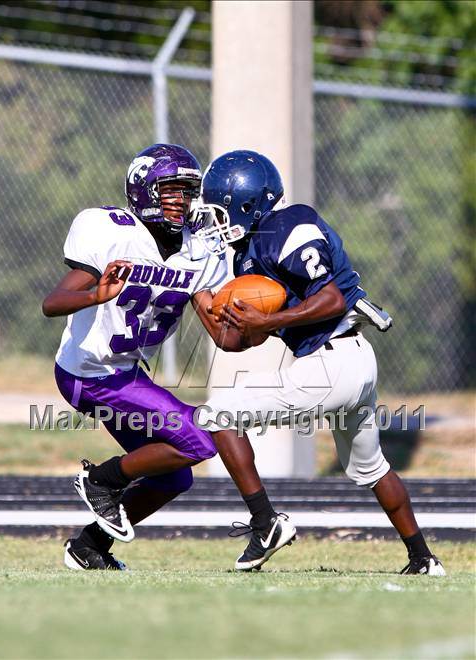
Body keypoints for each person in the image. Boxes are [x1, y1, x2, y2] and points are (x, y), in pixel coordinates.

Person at [43, 143, 295, 571]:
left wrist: (263, 326)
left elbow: (221, 336)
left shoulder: (199, 248)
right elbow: (52, 303)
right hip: (88, 373)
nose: (182, 200)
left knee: (175, 475)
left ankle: (88, 548)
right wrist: (96, 294)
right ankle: (100, 480)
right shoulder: (110, 231)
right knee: (198, 440)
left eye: (188, 191)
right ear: (144, 189)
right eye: (171, 189)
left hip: (125, 375)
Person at [195, 149, 445, 576]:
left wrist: (268, 320)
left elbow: (331, 300)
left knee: (217, 414)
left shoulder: (288, 226)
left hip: (333, 362)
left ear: (249, 204)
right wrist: (197, 291)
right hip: (349, 361)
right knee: (371, 468)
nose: (214, 223)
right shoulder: (247, 254)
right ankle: (423, 558)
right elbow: (232, 341)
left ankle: (266, 523)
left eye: (219, 211)